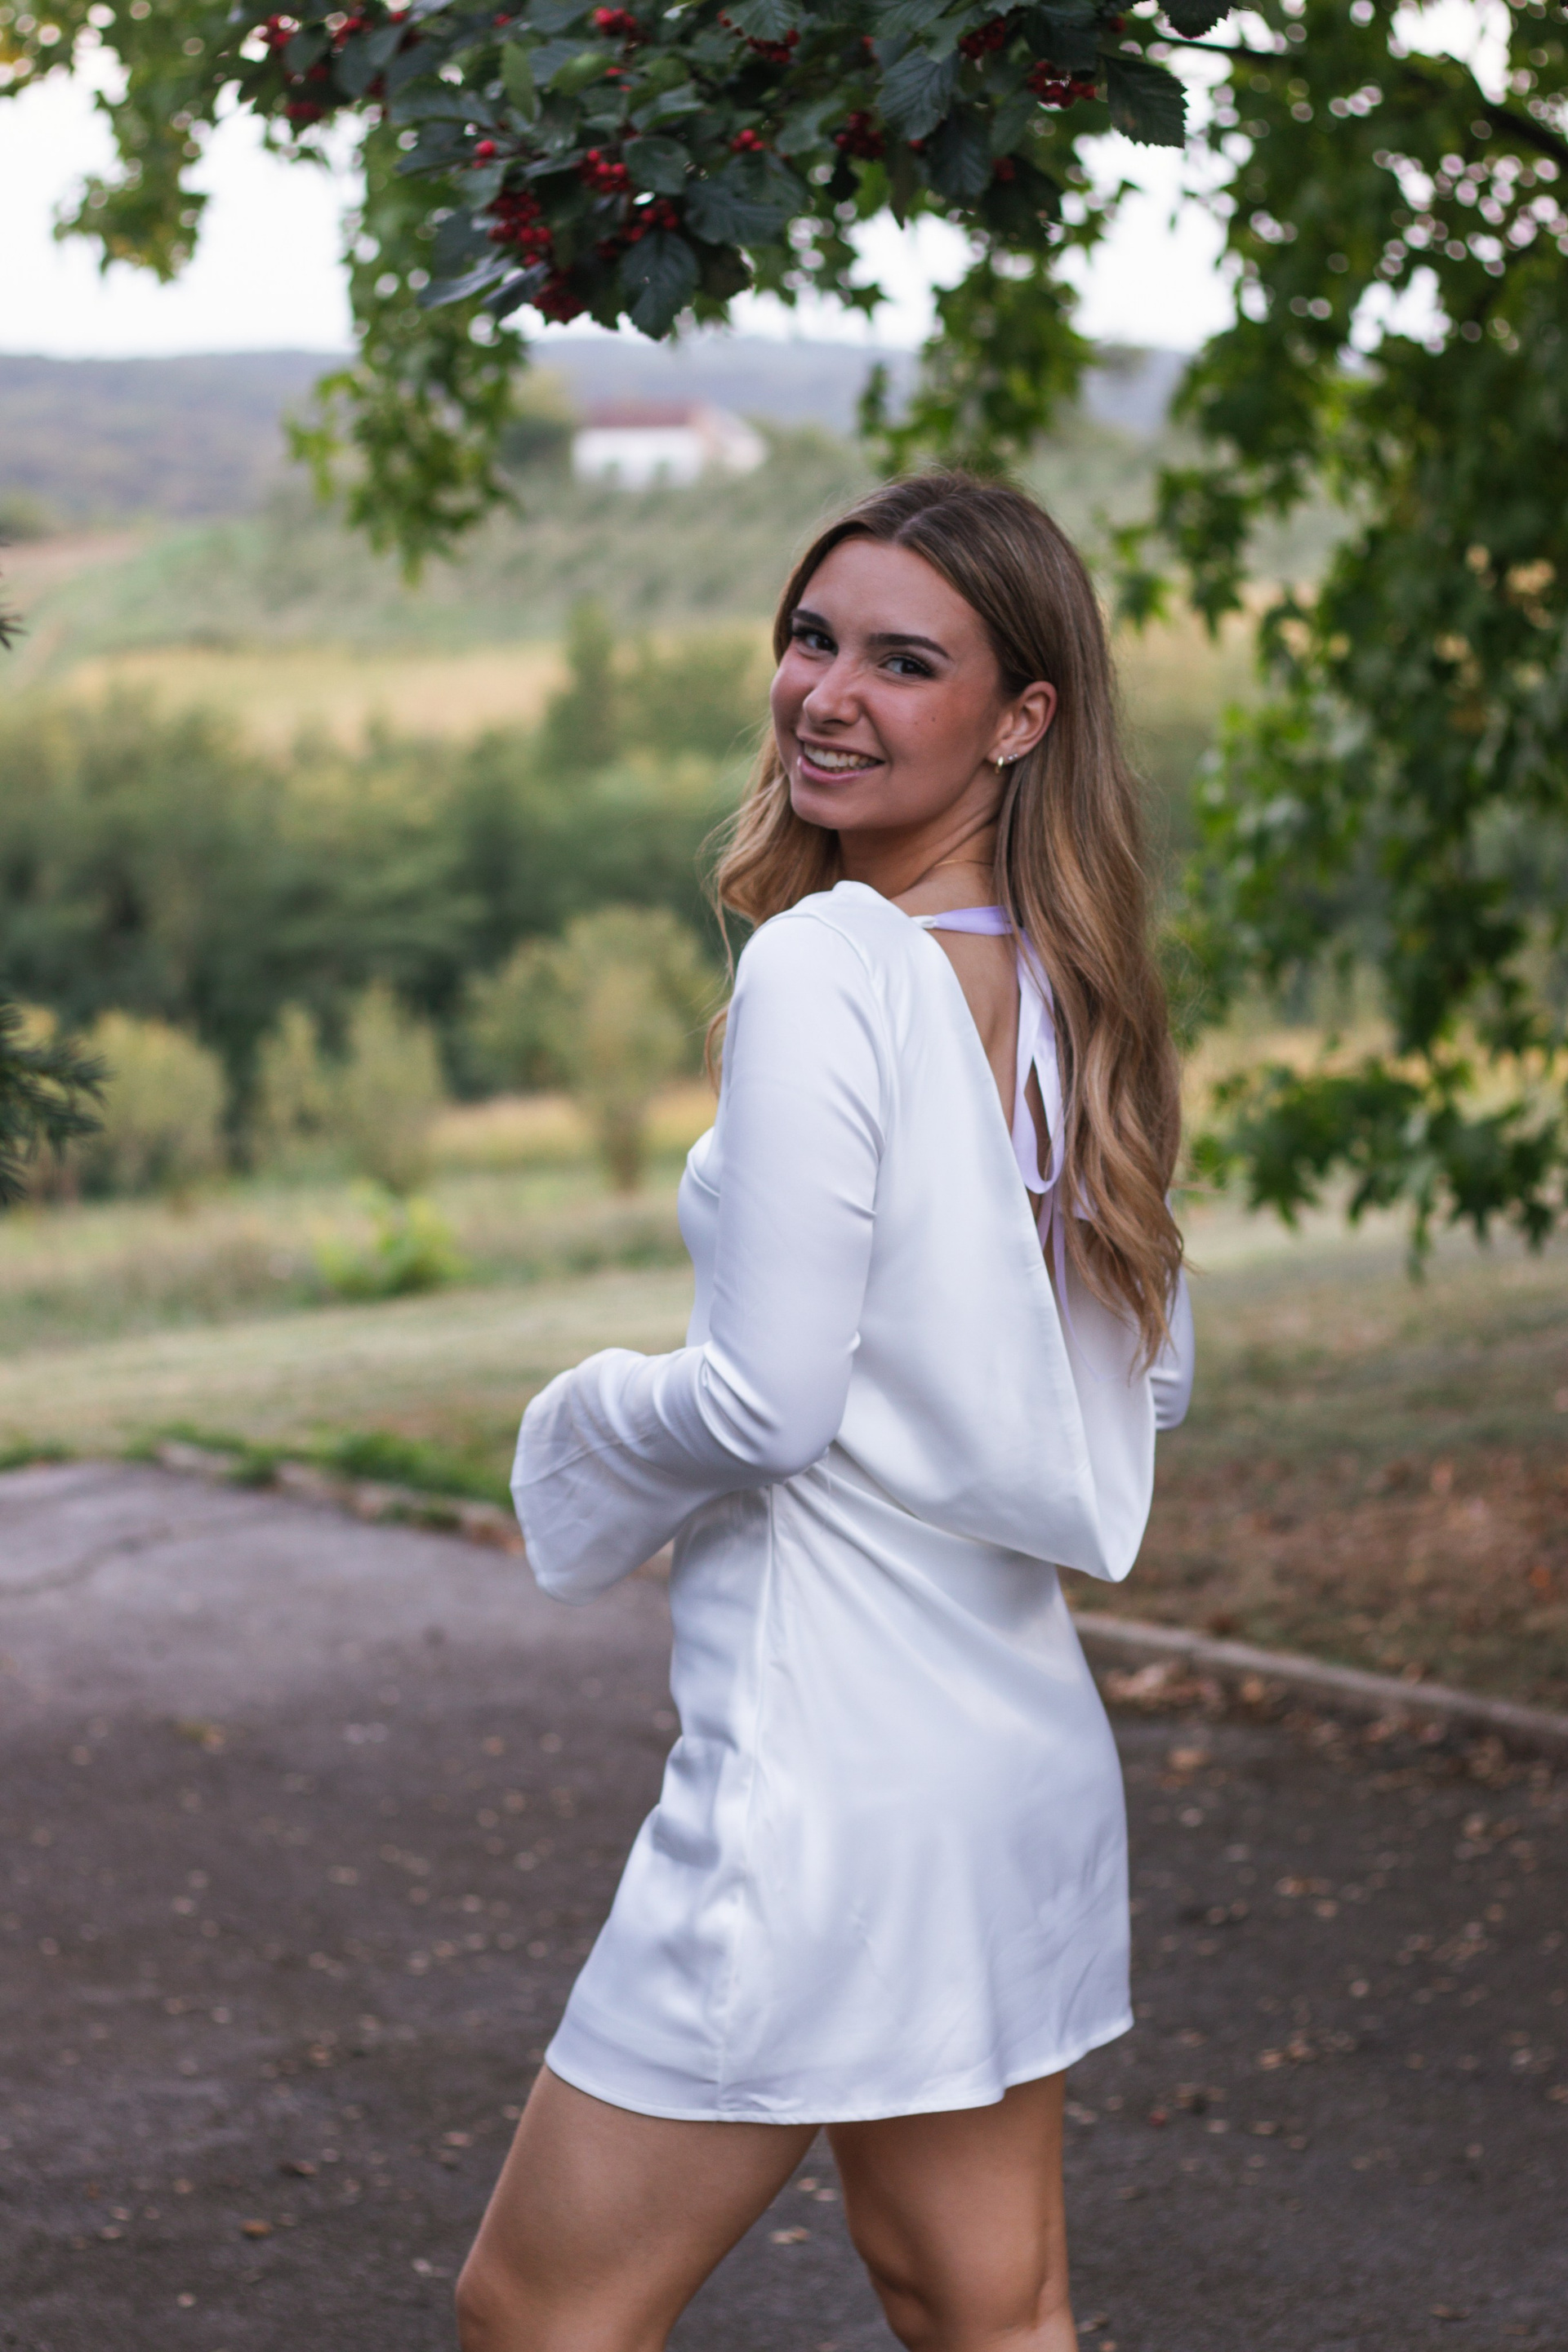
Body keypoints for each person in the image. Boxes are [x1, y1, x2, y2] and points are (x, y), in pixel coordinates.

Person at [458, 472, 1194, 2352]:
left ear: (1022, 718)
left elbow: (767, 1403)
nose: (828, 694)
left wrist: (578, 1418)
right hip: (1007, 1760)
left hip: (823, 1781)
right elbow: (1146, 1373)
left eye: (904, 661)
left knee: (536, 2313)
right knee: (988, 2313)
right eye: (811, 638)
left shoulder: (826, 964)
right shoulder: (1066, 987)